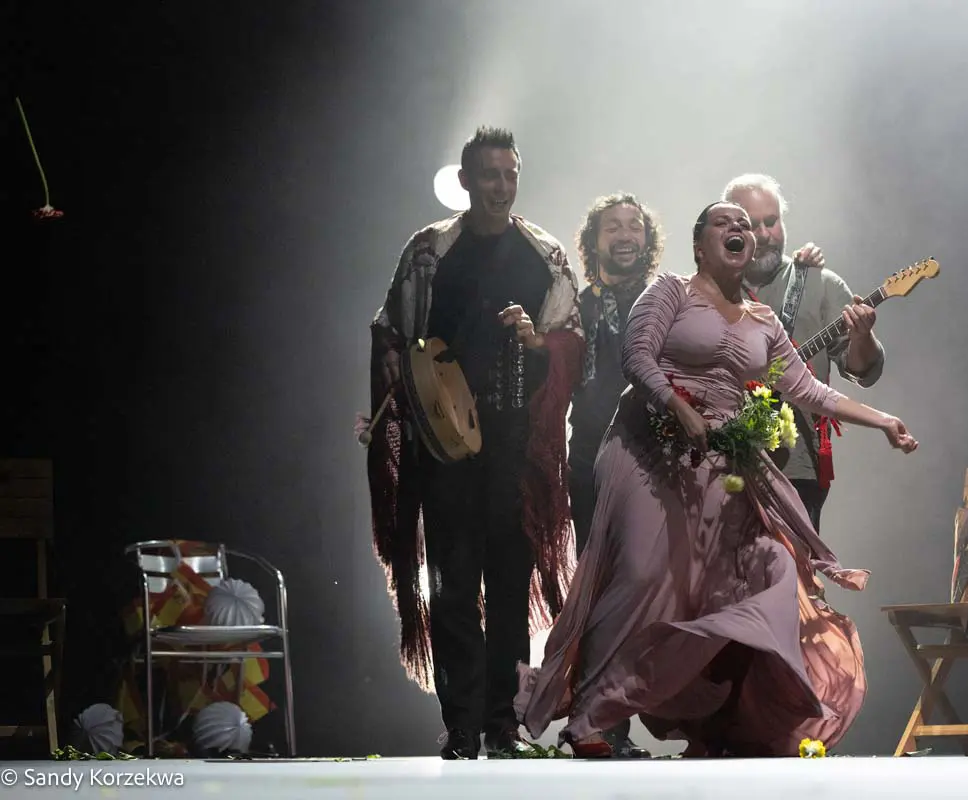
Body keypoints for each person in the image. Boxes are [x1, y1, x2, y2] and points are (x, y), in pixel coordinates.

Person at [514, 201, 918, 758]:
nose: (739, 230)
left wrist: (883, 421)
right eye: (724, 224)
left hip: (722, 462)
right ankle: (588, 717)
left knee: (769, 569)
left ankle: (727, 721)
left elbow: (810, 391)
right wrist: (678, 407)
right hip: (646, 448)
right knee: (640, 573)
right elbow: (637, 357)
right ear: (700, 244)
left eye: (746, 227)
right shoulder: (670, 292)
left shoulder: (764, 321)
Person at [367, 126, 584, 759]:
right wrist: (395, 401)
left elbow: (570, 341)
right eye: (490, 175)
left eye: (510, 175)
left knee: (510, 579)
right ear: (465, 181)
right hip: (445, 443)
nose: (501, 186)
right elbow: (390, 332)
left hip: (513, 439)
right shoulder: (431, 250)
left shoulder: (542, 254)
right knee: (454, 581)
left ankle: (500, 722)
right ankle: (461, 725)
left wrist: (537, 342)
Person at [723, 174, 885, 533]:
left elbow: (863, 371)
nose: (765, 234)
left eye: (773, 221)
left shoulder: (820, 283)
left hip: (797, 466)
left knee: (796, 578)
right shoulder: (708, 290)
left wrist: (862, 336)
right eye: (753, 225)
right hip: (721, 465)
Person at [567, 192, 664, 758]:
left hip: (656, 461)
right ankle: (600, 726)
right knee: (600, 591)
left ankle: (630, 717)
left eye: (634, 226)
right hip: (590, 462)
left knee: (647, 592)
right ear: (593, 242)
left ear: (647, 239)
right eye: (612, 227)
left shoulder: (667, 298)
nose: (625, 235)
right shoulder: (574, 306)